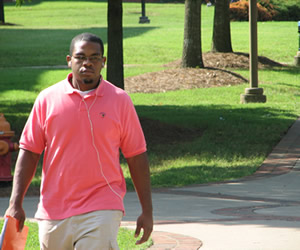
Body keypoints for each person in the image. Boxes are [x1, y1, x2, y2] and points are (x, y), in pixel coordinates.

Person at [5, 32, 153, 249]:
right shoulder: (47, 99)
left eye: (94, 58)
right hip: (53, 210)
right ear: (69, 61)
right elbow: (29, 152)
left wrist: (147, 211)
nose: (87, 63)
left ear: (103, 62)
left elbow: (136, 156)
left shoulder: (120, 101)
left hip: (103, 206)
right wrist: (14, 203)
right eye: (81, 57)